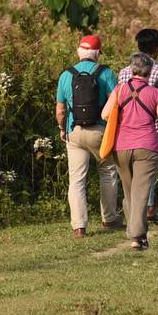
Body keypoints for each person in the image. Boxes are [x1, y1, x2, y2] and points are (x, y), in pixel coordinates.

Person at [103, 52, 158, 251]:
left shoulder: (119, 89)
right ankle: (136, 236)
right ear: (150, 71)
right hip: (147, 147)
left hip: (121, 146)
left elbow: (105, 113)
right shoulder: (155, 94)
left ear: (132, 69)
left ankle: (138, 234)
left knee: (130, 194)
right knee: (141, 193)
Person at [54, 35, 120, 238]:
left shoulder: (66, 75)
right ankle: (109, 218)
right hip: (100, 132)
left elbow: (60, 110)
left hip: (75, 132)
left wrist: (62, 129)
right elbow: (115, 104)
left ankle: (79, 226)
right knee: (108, 172)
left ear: (78, 51)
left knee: (77, 180)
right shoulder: (106, 73)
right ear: (98, 53)